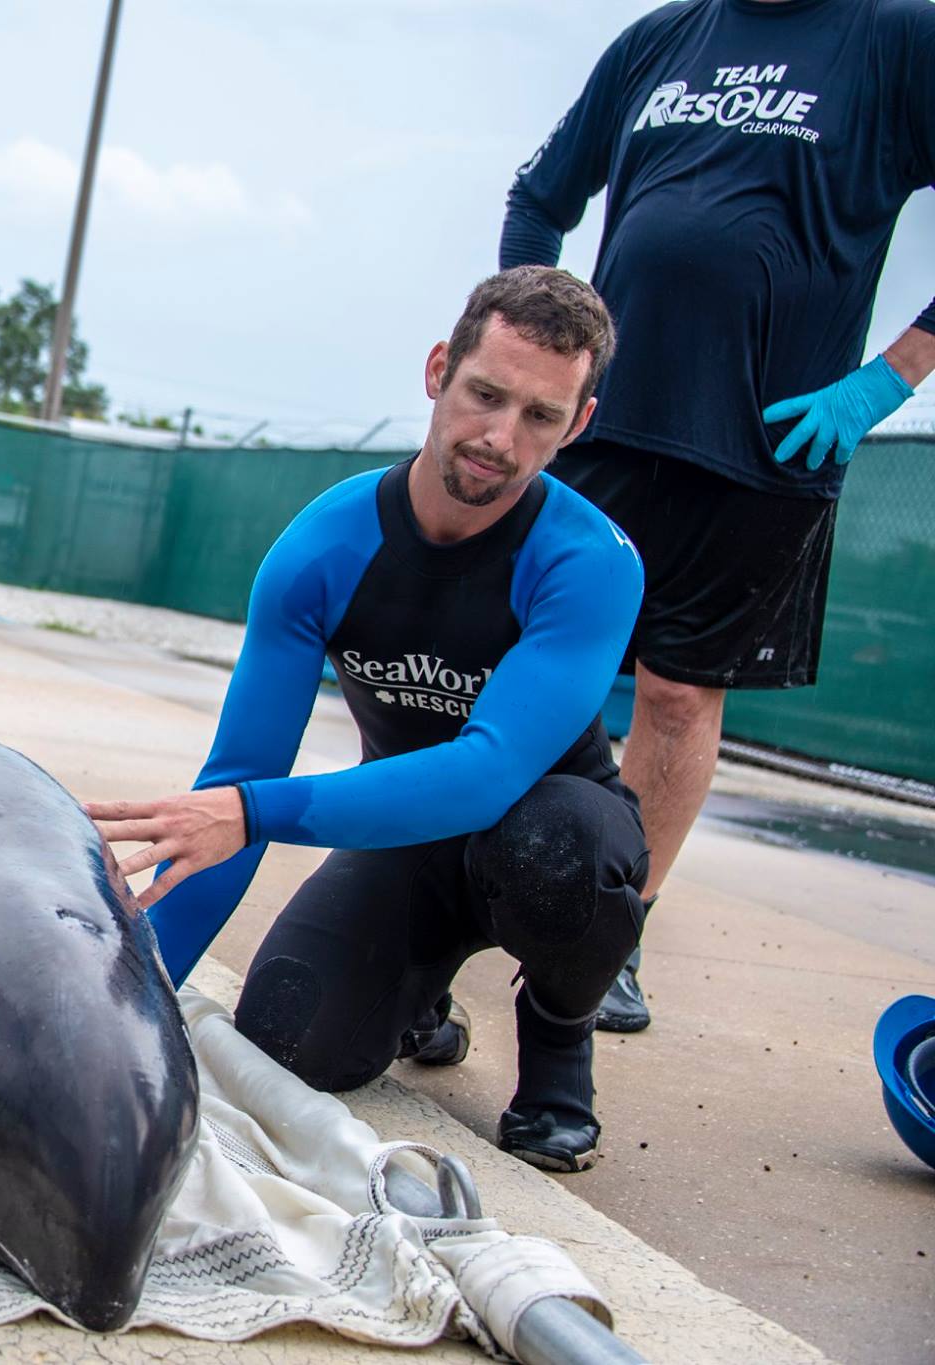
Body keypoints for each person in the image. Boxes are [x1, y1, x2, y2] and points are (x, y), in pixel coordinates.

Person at [89, 268, 648, 1172]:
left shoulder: (590, 562)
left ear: (578, 423)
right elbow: (233, 785)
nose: (500, 439)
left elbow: (487, 771)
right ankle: (419, 996)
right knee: (285, 1039)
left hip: (551, 827)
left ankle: (557, 1049)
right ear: (438, 371)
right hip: (410, 842)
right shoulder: (325, 546)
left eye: (541, 417)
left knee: (562, 848)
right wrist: (133, 1002)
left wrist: (253, 810)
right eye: (485, 395)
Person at [500, 0, 935, 1033]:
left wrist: (883, 381)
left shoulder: (895, 40)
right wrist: (534, 358)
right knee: (518, 663)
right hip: (601, 428)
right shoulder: (661, 39)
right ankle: (452, 901)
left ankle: (610, 935)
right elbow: (538, 197)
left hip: (767, 442)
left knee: (679, 697)